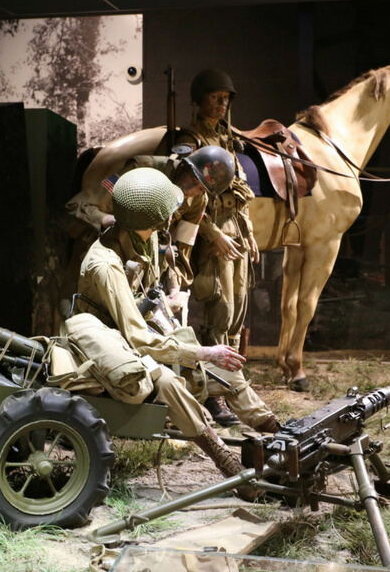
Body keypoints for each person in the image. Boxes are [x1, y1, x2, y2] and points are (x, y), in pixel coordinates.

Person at [73, 167, 280, 496]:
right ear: (153, 219)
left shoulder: (145, 237)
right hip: (108, 339)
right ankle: (227, 463)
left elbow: (151, 291)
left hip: (139, 328)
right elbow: (136, 337)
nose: (173, 215)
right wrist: (198, 352)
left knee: (226, 368)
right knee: (170, 383)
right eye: (166, 213)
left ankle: (279, 433)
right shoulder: (105, 264)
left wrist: (179, 316)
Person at [173, 69, 260, 424]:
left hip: (235, 227)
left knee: (238, 307)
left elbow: (238, 193)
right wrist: (214, 236)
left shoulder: (226, 138)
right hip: (212, 232)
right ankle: (214, 393)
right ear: (198, 100)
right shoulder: (190, 139)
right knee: (219, 306)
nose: (222, 104)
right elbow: (186, 197)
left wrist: (248, 231)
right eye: (215, 97)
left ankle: (232, 384)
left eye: (226, 99)